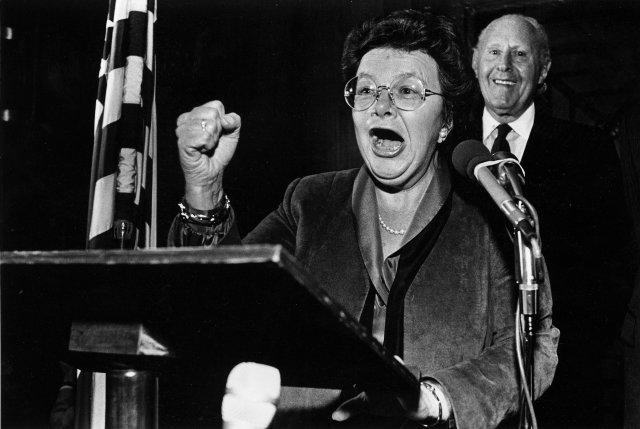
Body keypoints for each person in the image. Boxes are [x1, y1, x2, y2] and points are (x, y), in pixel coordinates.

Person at [169, 9, 559, 429]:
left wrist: (438, 399)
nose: (382, 108)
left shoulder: (488, 218)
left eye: (407, 92)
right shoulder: (310, 201)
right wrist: (205, 188)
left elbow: (535, 348)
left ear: (445, 122)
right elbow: (221, 310)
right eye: (367, 90)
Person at [470, 14, 637, 428]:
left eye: (520, 54)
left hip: (561, 388)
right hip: (465, 383)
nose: (504, 66)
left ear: (543, 68)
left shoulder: (588, 151)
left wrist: (567, 359)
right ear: (475, 62)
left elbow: (614, 267)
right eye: (494, 52)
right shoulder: (446, 151)